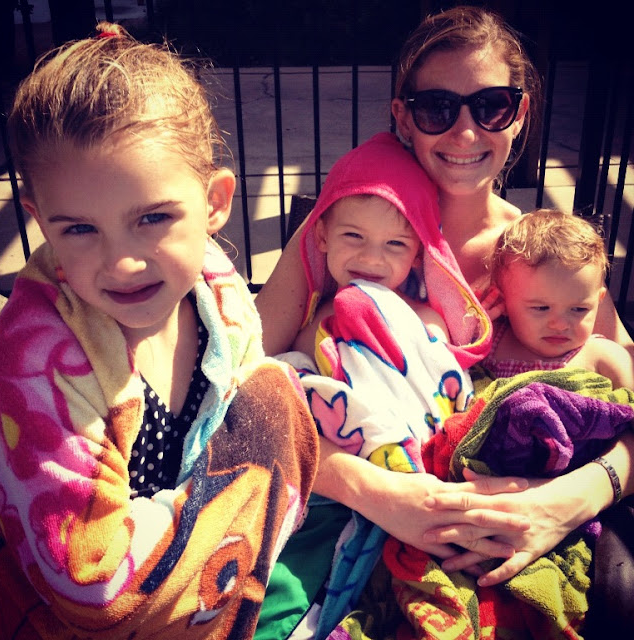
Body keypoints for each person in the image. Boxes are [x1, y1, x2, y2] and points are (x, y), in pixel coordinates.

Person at [254, 5, 634, 638]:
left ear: (521, 114)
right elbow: (243, 392)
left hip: (521, 527)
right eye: (436, 107)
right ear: (402, 117)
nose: (464, 131)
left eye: (491, 106)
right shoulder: (344, 232)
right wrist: (377, 493)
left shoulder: (543, 257)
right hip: (357, 512)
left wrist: (573, 499)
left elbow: (624, 393)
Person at [0, 22, 318, 640]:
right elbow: (94, 592)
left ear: (215, 202)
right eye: (79, 229)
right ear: (38, 221)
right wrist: (277, 428)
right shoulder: (35, 357)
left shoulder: (217, 288)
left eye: (153, 218)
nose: (122, 263)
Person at [482, 208, 634, 390]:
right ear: (503, 301)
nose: (560, 325)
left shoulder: (605, 357)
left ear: (598, 300)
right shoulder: (487, 345)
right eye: (541, 308)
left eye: (579, 309)